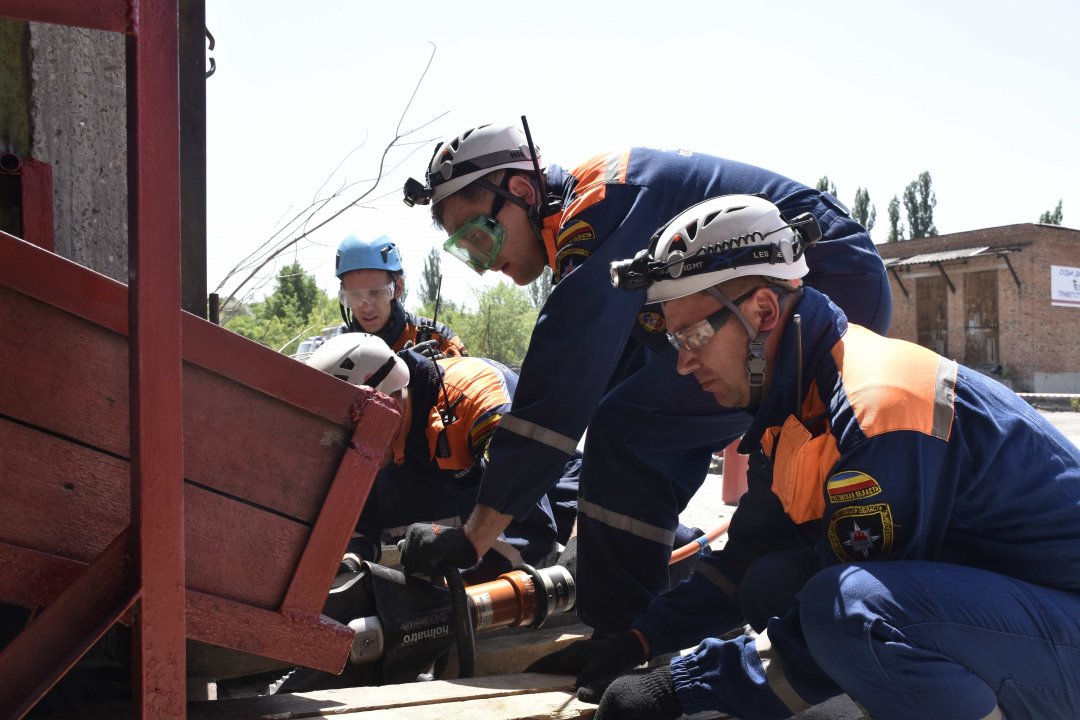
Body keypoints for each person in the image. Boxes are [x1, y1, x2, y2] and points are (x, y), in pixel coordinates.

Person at [532, 194, 1080, 720]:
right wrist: (638, 639)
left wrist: (679, 686)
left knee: (848, 609)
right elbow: (749, 556)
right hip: (1029, 617)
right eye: (677, 342)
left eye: (694, 335)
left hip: (1066, 631)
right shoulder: (797, 404)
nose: (683, 363)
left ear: (764, 310)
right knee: (773, 579)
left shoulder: (877, 407)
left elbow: (858, 608)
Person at [396, 121, 892, 633]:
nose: (483, 262)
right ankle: (664, 576)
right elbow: (592, 387)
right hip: (814, 280)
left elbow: (558, 383)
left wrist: (473, 539)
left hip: (826, 277)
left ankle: (626, 634)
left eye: (481, 236)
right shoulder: (595, 215)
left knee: (629, 429)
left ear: (522, 191)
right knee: (625, 415)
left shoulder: (595, 212)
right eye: (465, 248)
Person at [307, 332, 578, 583]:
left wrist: (448, 594)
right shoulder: (387, 435)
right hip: (480, 527)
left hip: (555, 504)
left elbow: (531, 531)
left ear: (387, 402)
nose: (352, 444)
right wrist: (349, 561)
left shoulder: (476, 399)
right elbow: (360, 523)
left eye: (355, 430)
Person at [335, 234, 467, 359]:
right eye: (354, 295)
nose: (367, 308)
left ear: (397, 288)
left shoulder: (437, 339)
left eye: (376, 293)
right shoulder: (335, 348)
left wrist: (433, 375)